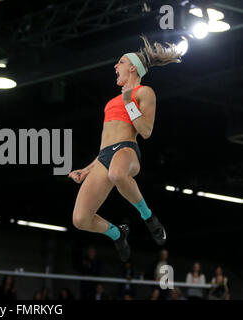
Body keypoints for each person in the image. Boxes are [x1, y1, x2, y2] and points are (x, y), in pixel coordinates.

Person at [68, 35, 181, 262]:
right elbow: (105, 143)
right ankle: (117, 233)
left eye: (119, 62)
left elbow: (146, 131)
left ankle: (148, 218)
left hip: (127, 150)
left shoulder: (144, 92)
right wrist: (87, 169)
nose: (115, 66)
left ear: (132, 67)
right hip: (103, 157)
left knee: (118, 173)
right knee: (80, 220)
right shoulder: (111, 102)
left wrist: (130, 102)